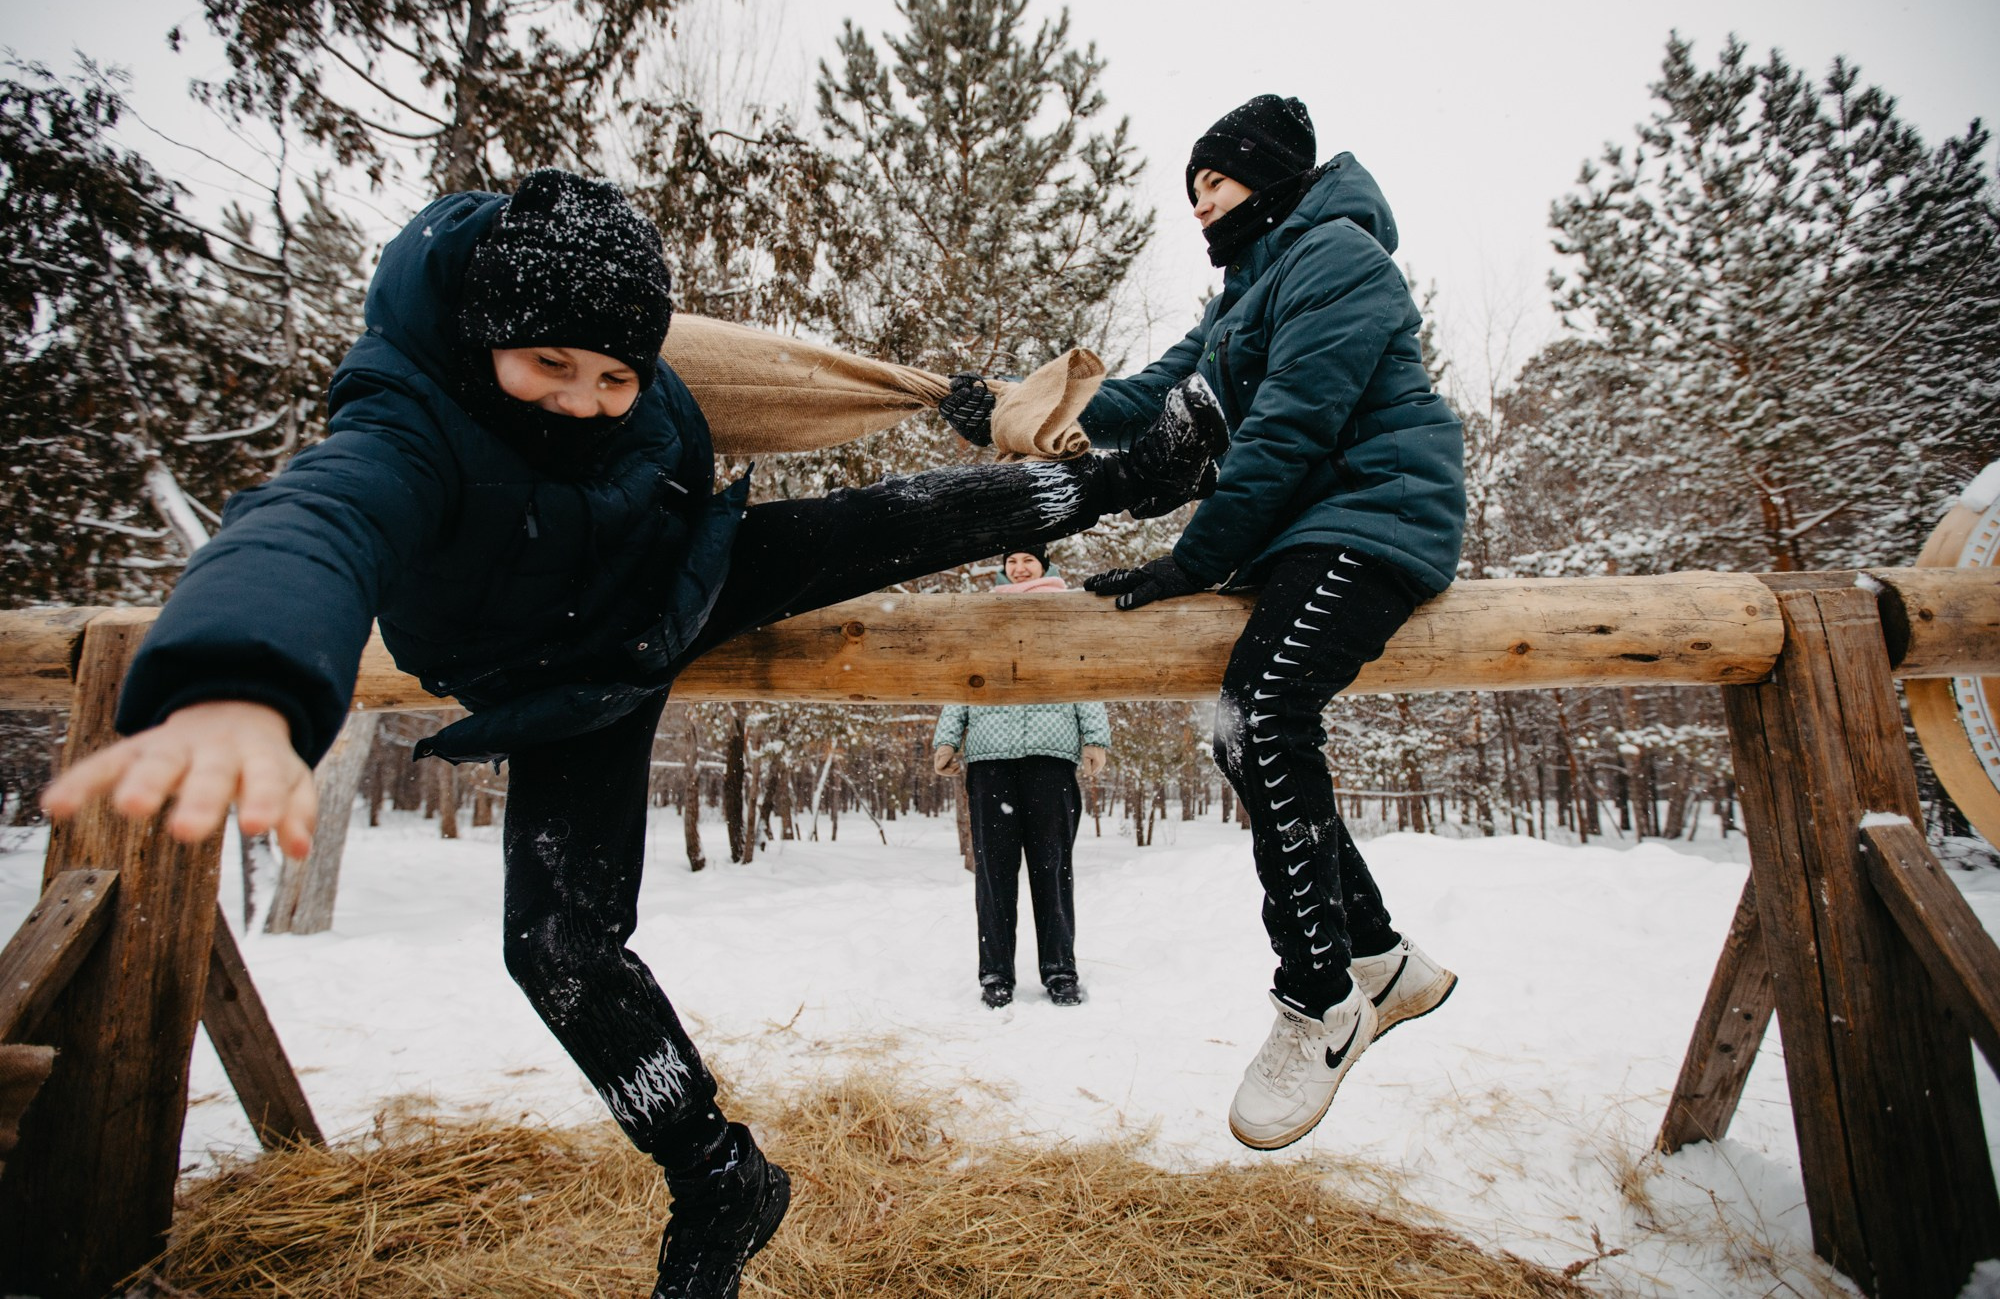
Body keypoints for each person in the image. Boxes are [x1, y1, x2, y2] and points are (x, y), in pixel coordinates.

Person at [40, 170, 1228, 1298]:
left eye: (613, 377)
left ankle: (1130, 478)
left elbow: (771, 382)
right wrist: (238, 678)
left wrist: (954, 400)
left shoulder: (659, 376)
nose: (583, 399)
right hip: (562, 675)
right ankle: (718, 1177)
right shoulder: (408, 415)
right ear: (481, 335)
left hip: (667, 583)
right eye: (546, 364)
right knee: (554, 947)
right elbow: (317, 520)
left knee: (876, 524)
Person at [943, 96, 1468, 1152]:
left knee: (1259, 715)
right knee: (1246, 732)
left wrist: (1192, 558)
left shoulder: (1336, 259)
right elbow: (1143, 394)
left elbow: (1288, 431)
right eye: (1191, 194)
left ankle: (1320, 997)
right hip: (1308, 530)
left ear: (1267, 179)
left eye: (1213, 188)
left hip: (1378, 512)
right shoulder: (1246, 290)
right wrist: (1015, 410)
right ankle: (1377, 954)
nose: (1199, 210)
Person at [932, 545, 1111, 1009]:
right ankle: (995, 974)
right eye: (1012, 561)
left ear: (1045, 566)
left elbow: (1084, 674)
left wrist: (1095, 738)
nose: (1019, 567)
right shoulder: (986, 616)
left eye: (1028, 560)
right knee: (994, 874)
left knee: (1052, 873)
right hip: (991, 761)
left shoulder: (1063, 613)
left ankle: (1060, 972)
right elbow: (963, 679)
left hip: (1050, 759)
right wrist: (947, 739)